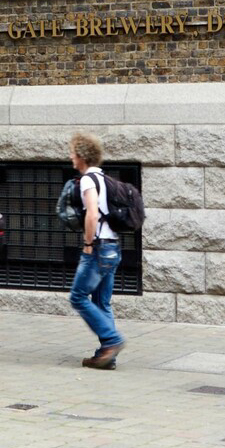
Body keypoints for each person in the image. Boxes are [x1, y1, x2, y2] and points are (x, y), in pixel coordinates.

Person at [67, 133, 126, 370]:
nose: (70, 157)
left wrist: (88, 243)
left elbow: (92, 214)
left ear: (81, 155)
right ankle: (107, 355)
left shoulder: (88, 181)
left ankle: (112, 341)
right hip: (113, 247)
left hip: (99, 248)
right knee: (102, 302)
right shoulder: (104, 178)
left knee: (78, 296)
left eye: (72, 152)